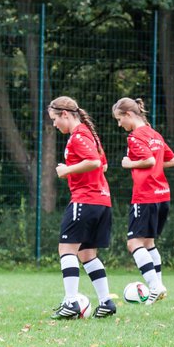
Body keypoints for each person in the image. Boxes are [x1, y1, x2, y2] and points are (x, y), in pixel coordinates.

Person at [49, 96, 117, 319]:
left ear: (65, 115)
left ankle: (71, 302)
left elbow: (96, 163)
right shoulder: (91, 135)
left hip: (85, 200)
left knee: (66, 249)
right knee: (87, 253)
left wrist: (67, 170)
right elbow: (103, 164)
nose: (54, 124)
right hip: (102, 202)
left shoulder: (79, 136)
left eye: (55, 119)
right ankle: (106, 302)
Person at [113, 97, 174, 303]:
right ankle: (159, 286)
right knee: (148, 242)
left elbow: (148, 160)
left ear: (129, 114)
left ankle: (155, 286)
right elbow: (172, 160)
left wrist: (129, 163)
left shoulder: (135, 137)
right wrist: (155, 164)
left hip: (145, 195)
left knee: (134, 243)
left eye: (119, 119)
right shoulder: (155, 134)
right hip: (162, 195)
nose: (119, 124)